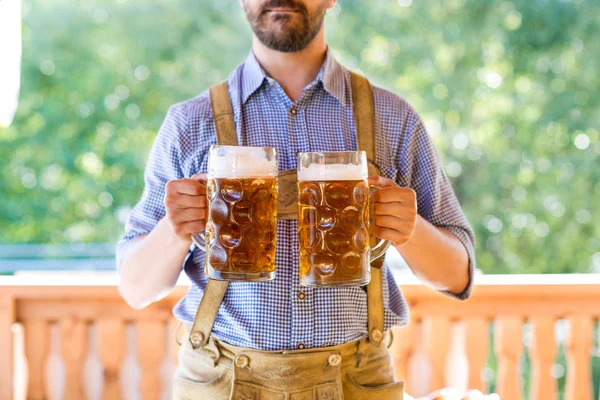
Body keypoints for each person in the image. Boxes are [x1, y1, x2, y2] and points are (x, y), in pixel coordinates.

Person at [116, 0, 476, 398]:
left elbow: (458, 275)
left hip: (356, 382)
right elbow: (135, 288)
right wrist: (176, 228)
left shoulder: (392, 117)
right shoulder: (190, 122)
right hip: (220, 381)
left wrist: (412, 230)